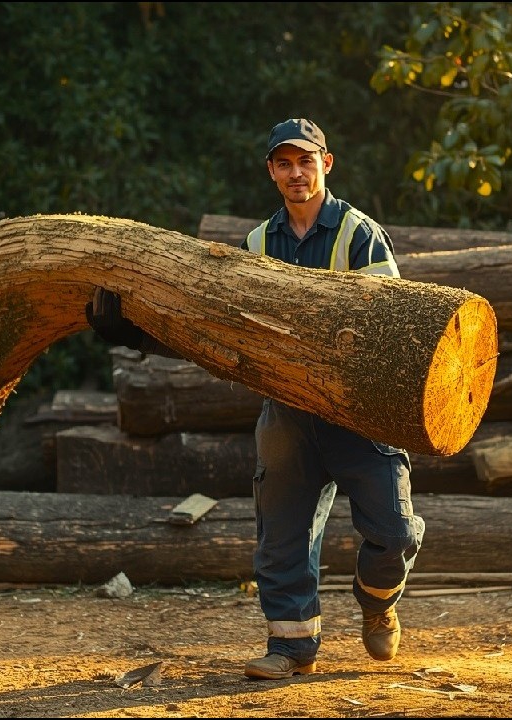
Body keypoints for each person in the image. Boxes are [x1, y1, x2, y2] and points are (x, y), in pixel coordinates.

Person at [85, 118, 424, 680]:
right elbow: (216, 329)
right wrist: (137, 331)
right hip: (289, 418)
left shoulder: (359, 235)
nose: (296, 172)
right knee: (281, 538)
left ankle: (378, 604)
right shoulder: (256, 245)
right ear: (271, 171)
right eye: (284, 163)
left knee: (393, 533)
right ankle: (291, 646)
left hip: (360, 417)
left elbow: (390, 324)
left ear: (327, 164)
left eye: (306, 161)